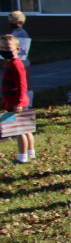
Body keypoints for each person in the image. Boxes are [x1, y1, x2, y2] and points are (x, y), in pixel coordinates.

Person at [1, 35, 34, 163]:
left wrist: (19, 102)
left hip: (17, 102)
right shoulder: (11, 63)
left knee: (20, 130)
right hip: (15, 101)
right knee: (27, 129)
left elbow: (22, 84)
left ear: (17, 49)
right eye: (2, 47)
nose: (4, 50)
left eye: (7, 48)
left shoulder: (16, 64)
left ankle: (22, 156)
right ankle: (31, 153)